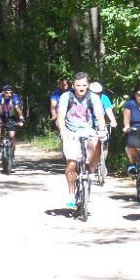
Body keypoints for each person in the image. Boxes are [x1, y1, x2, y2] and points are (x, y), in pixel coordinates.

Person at [56, 72, 107, 209]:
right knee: (71, 163)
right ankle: (71, 193)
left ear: (88, 85)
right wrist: (63, 132)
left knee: (97, 144)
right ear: (73, 85)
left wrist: (101, 130)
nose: (81, 88)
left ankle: (90, 171)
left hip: (88, 130)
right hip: (70, 131)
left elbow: (100, 117)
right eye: (78, 85)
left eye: (84, 85)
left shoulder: (94, 98)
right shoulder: (66, 97)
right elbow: (60, 117)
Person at [88, 81, 117, 174]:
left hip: (100, 123)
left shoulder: (104, 98)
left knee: (104, 142)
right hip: (87, 124)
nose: (98, 95)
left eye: (99, 93)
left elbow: (108, 110)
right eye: (95, 93)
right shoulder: (85, 98)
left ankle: (102, 163)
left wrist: (113, 121)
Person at [121, 85, 140, 175]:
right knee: (131, 144)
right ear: (135, 95)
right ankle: (133, 164)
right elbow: (126, 119)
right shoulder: (130, 104)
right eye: (139, 95)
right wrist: (126, 127)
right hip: (134, 129)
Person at [0, 84, 25, 153]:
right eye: (6, 92)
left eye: (10, 92)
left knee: (12, 135)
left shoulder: (15, 97)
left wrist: (21, 119)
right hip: (1, 115)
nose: (9, 94)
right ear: (3, 92)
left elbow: (18, 109)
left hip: (11, 116)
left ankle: (12, 151)